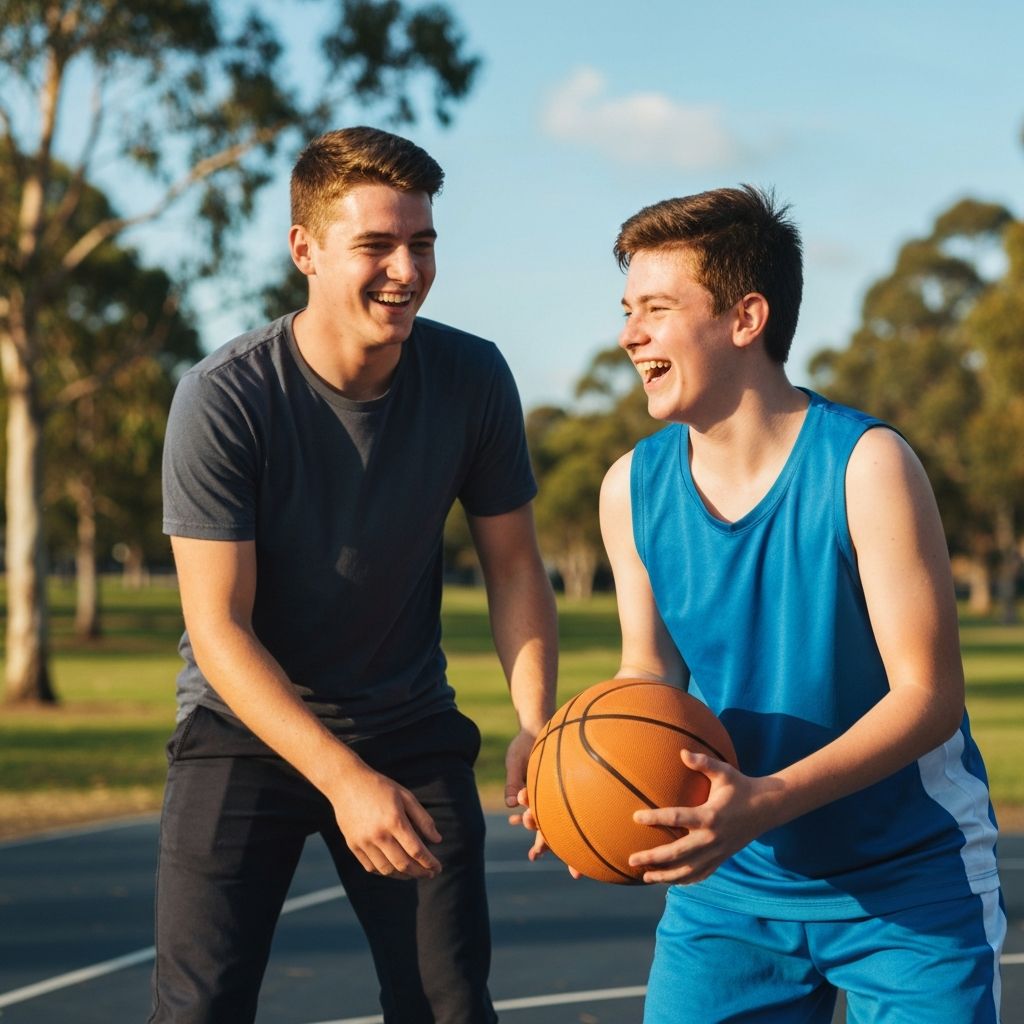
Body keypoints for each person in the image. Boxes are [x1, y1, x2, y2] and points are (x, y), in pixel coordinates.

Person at [524, 185, 1005, 1022]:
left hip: (908, 878)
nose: (628, 334)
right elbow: (649, 675)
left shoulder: (867, 467)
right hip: (732, 894)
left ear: (746, 318)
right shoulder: (630, 488)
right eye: (627, 308)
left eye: (658, 308)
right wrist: (587, 784)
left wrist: (767, 800)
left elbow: (928, 697)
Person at [152, 125, 558, 1024]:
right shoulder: (225, 398)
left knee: (448, 1006)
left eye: (421, 243)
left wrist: (536, 722)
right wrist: (342, 779)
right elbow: (219, 627)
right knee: (198, 1008)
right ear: (304, 249)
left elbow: (515, 565)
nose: (405, 270)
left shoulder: (472, 377)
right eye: (376, 245)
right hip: (243, 726)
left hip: (407, 725)